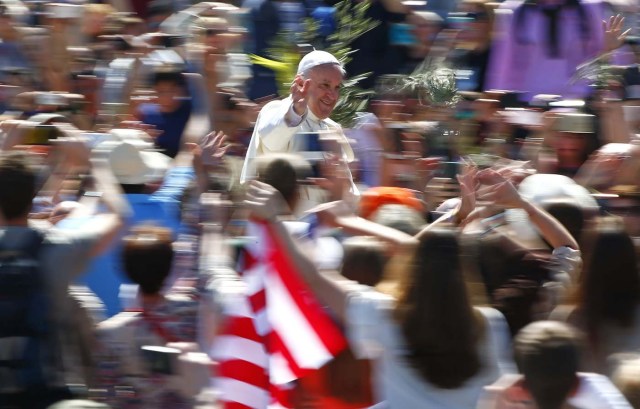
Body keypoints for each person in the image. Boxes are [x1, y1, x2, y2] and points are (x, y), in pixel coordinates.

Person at [0, 134, 130, 407]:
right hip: (47, 393)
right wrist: (95, 162)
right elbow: (120, 217)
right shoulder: (57, 247)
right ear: (32, 197)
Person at [240, 50, 357, 195]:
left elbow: (349, 191)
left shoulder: (332, 128)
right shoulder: (278, 111)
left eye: (337, 87)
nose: (332, 95)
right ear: (301, 83)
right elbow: (272, 139)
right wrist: (296, 111)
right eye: (325, 85)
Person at [477, 320, 632, 409]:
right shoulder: (590, 391)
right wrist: (592, 387)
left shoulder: (498, 399)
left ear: (523, 387)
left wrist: (491, 403)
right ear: (576, 384)